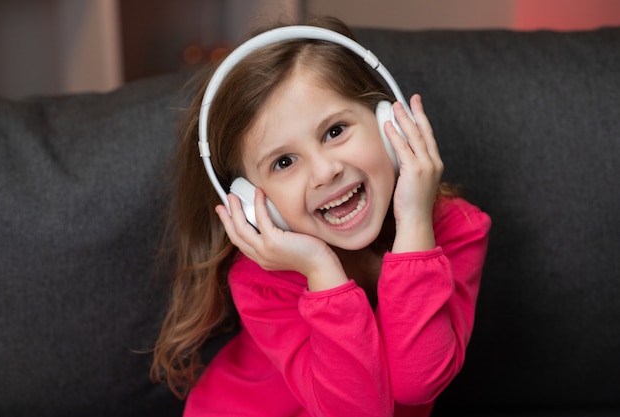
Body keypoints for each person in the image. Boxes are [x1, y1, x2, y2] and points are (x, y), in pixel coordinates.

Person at [151, 16, 491, 417]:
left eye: (334, 131)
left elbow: (419, 383)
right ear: (249, 200)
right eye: (284, 162)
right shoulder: (261, 280)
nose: (325, 171)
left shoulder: (456, 230)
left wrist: (415, 221)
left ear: (389, 126)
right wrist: (320, 269)